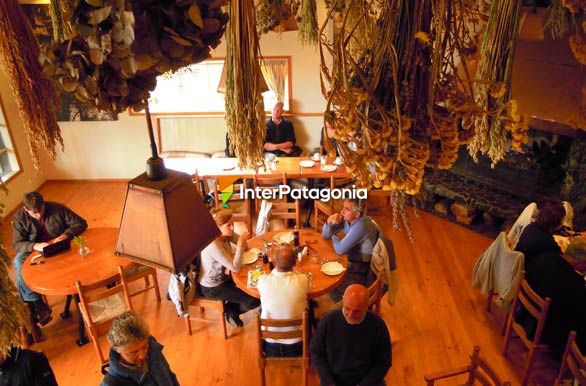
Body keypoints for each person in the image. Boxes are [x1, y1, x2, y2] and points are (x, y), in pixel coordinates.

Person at [12, 192, 87, 326]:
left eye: (41, 210)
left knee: (19, 282)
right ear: (25, 209)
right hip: (35, 250)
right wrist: (35, 245)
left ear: (44, 204)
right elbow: (17, 244)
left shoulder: (58, 208)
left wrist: (66, 235)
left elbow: (81, 223)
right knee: (18, 261)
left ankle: (33, 306)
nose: (39, 215)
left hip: (58, 245)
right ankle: (38, 302)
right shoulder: (19, 218)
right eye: (34, 214)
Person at [310, 284, 392, 386]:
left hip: (367, 382)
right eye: (347, 308)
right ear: (343, 299)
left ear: (367, 305)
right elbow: (316, 352)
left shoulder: (378, 325)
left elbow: (384, 361)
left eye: (357, 311)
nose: (350, 315)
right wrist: (328, 382)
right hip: (334, 381)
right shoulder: (327, 321)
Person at [198, 208, 260, 327]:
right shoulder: (213, 244)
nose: (232, 228)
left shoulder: (225, 234)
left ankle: (232, 308)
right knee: (255, 299)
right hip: (212, 287)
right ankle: (231, 310)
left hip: (224, 278)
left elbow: (245, 246)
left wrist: (241, 241)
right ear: (217, 227)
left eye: (233, 224)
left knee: (254, 283)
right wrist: (240, 244)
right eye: (229, 225)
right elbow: (235, 268)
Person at [257, 246, 310, 357]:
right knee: (308, 310)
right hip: (297, 348)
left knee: (262, 307)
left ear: (274, 263)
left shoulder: (263, 281)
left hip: (269, 348)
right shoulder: (303, 280)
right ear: (295, 262)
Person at [101, 311, 179, 386]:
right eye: (133, 352)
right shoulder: (113, 383)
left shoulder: (152, 346)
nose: (142, 355)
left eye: (145, 346)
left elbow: (170, 375)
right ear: (118, 350)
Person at [322, 198, 379, 302]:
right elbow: (325, 235)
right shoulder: (347, 220)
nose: (342, 211)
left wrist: (334, 235)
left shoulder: (361, 226)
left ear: (356, 214)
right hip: (351, 261)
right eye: (343, 207)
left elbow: (339, 250)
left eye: (346, 209)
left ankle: (345, 309)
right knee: (324, 268)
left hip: (359, 270)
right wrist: (328, 221)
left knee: (329, 284)